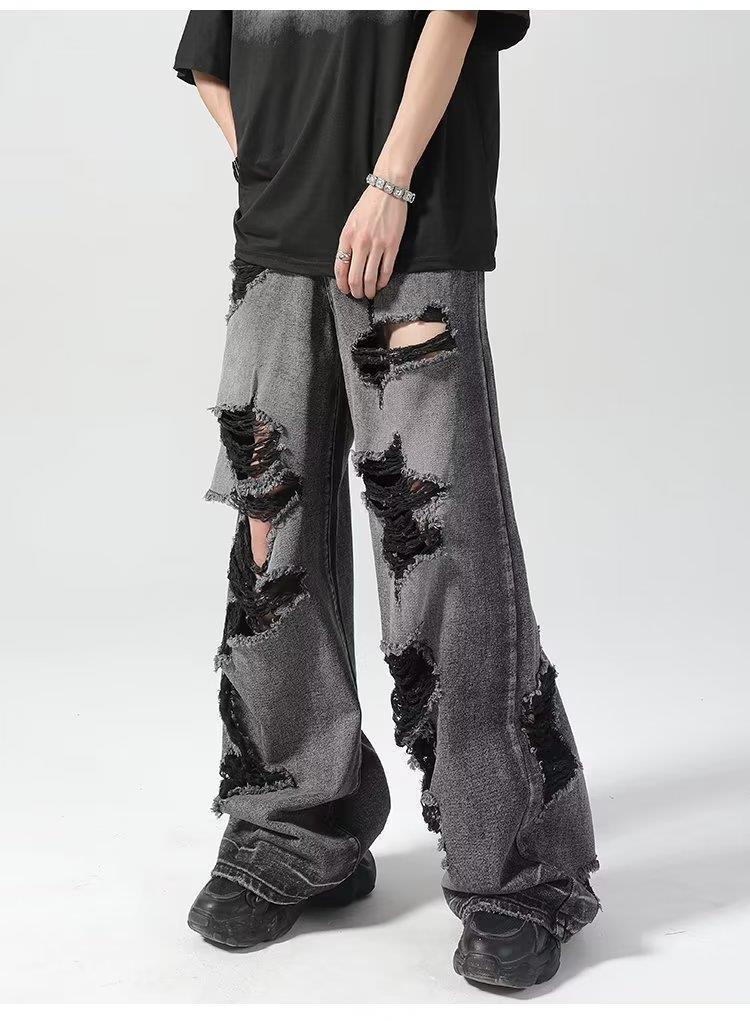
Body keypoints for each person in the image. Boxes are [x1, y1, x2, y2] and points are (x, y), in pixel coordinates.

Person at [174, 10, 599, 989]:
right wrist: (274, 175)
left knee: (439, 532)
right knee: (270, 530)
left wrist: (389, 179)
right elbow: (211, 57)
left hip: (411, 220)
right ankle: (297, 820)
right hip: (276, 242)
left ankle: (514, 864)